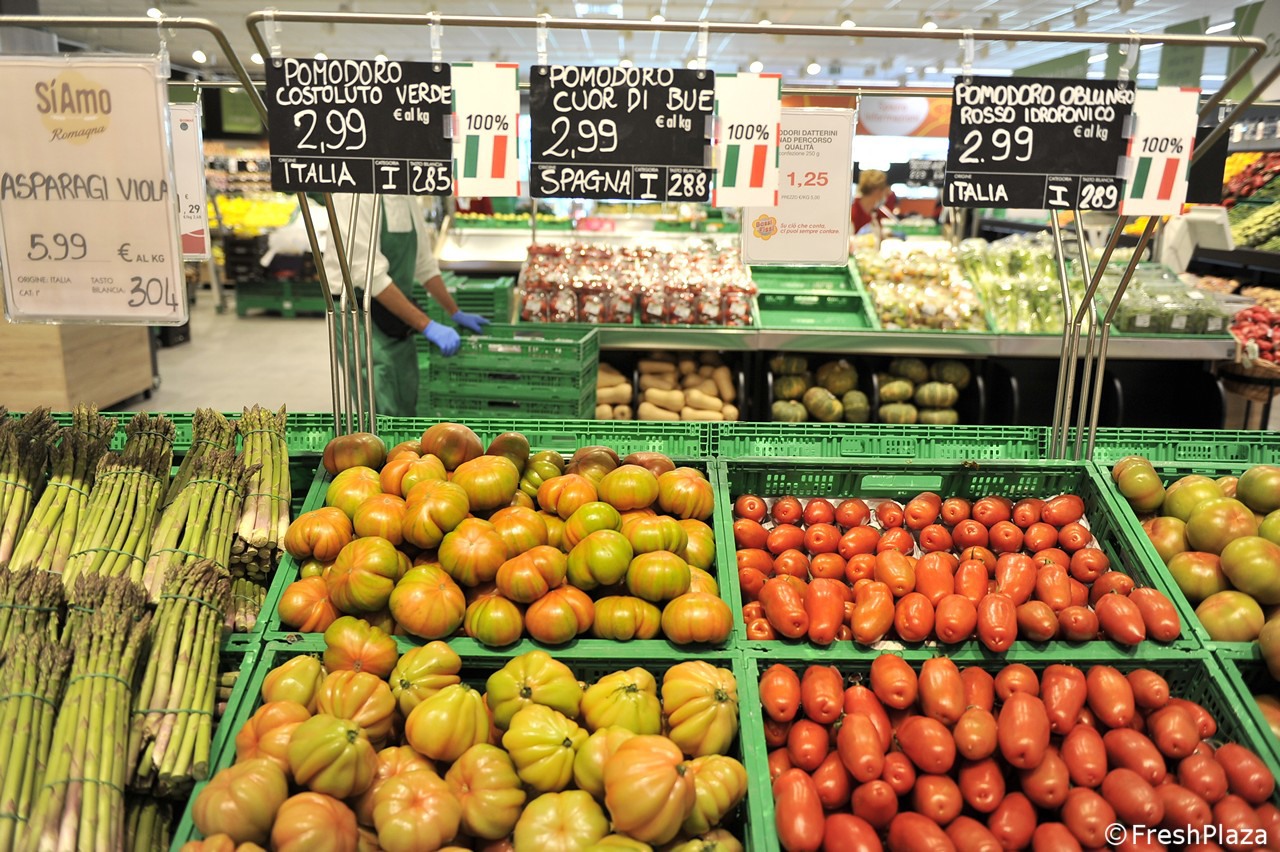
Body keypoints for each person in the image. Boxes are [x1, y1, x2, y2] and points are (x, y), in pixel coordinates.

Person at [320, 194, 489, 417]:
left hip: (396, 315)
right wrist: (428, 325)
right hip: (359, 317)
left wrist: (454, 311)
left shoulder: (406, 196)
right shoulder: (353, 195)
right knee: (380, 401)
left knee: (406, 396)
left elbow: (424, 263)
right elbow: (368, 274)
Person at [852, 169, 894, 240]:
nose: (888, 193)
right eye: (884, 188)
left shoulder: (873, 212)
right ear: (876, 190)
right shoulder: (853, 215)